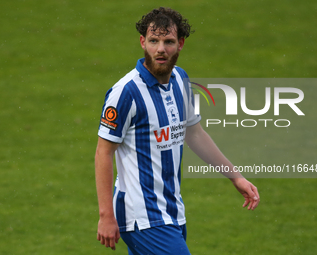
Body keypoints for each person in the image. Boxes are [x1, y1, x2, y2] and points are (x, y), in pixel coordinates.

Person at [95, 7, 260, 254]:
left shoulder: (181, 80)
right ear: (143, 42)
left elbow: (194, 134)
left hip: (172, 211)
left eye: (168, 41)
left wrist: (235, 176)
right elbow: (103, 152)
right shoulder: (126, 92)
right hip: (142, 215)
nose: (161, 48)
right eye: (154, 41)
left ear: (180, 44)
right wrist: (106, 215)